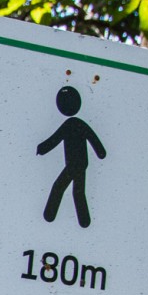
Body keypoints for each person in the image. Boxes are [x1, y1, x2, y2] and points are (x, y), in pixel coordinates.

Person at [37, 85, 105, 228]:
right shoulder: (77, 124)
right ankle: (84, 221)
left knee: (58, 187)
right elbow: (92, 138)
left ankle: (49, 215)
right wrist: (100, 152)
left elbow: (55, 139)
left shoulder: (71, 124)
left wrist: (42, 148)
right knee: (78, 192)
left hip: (74, 164)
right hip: (81, 163)